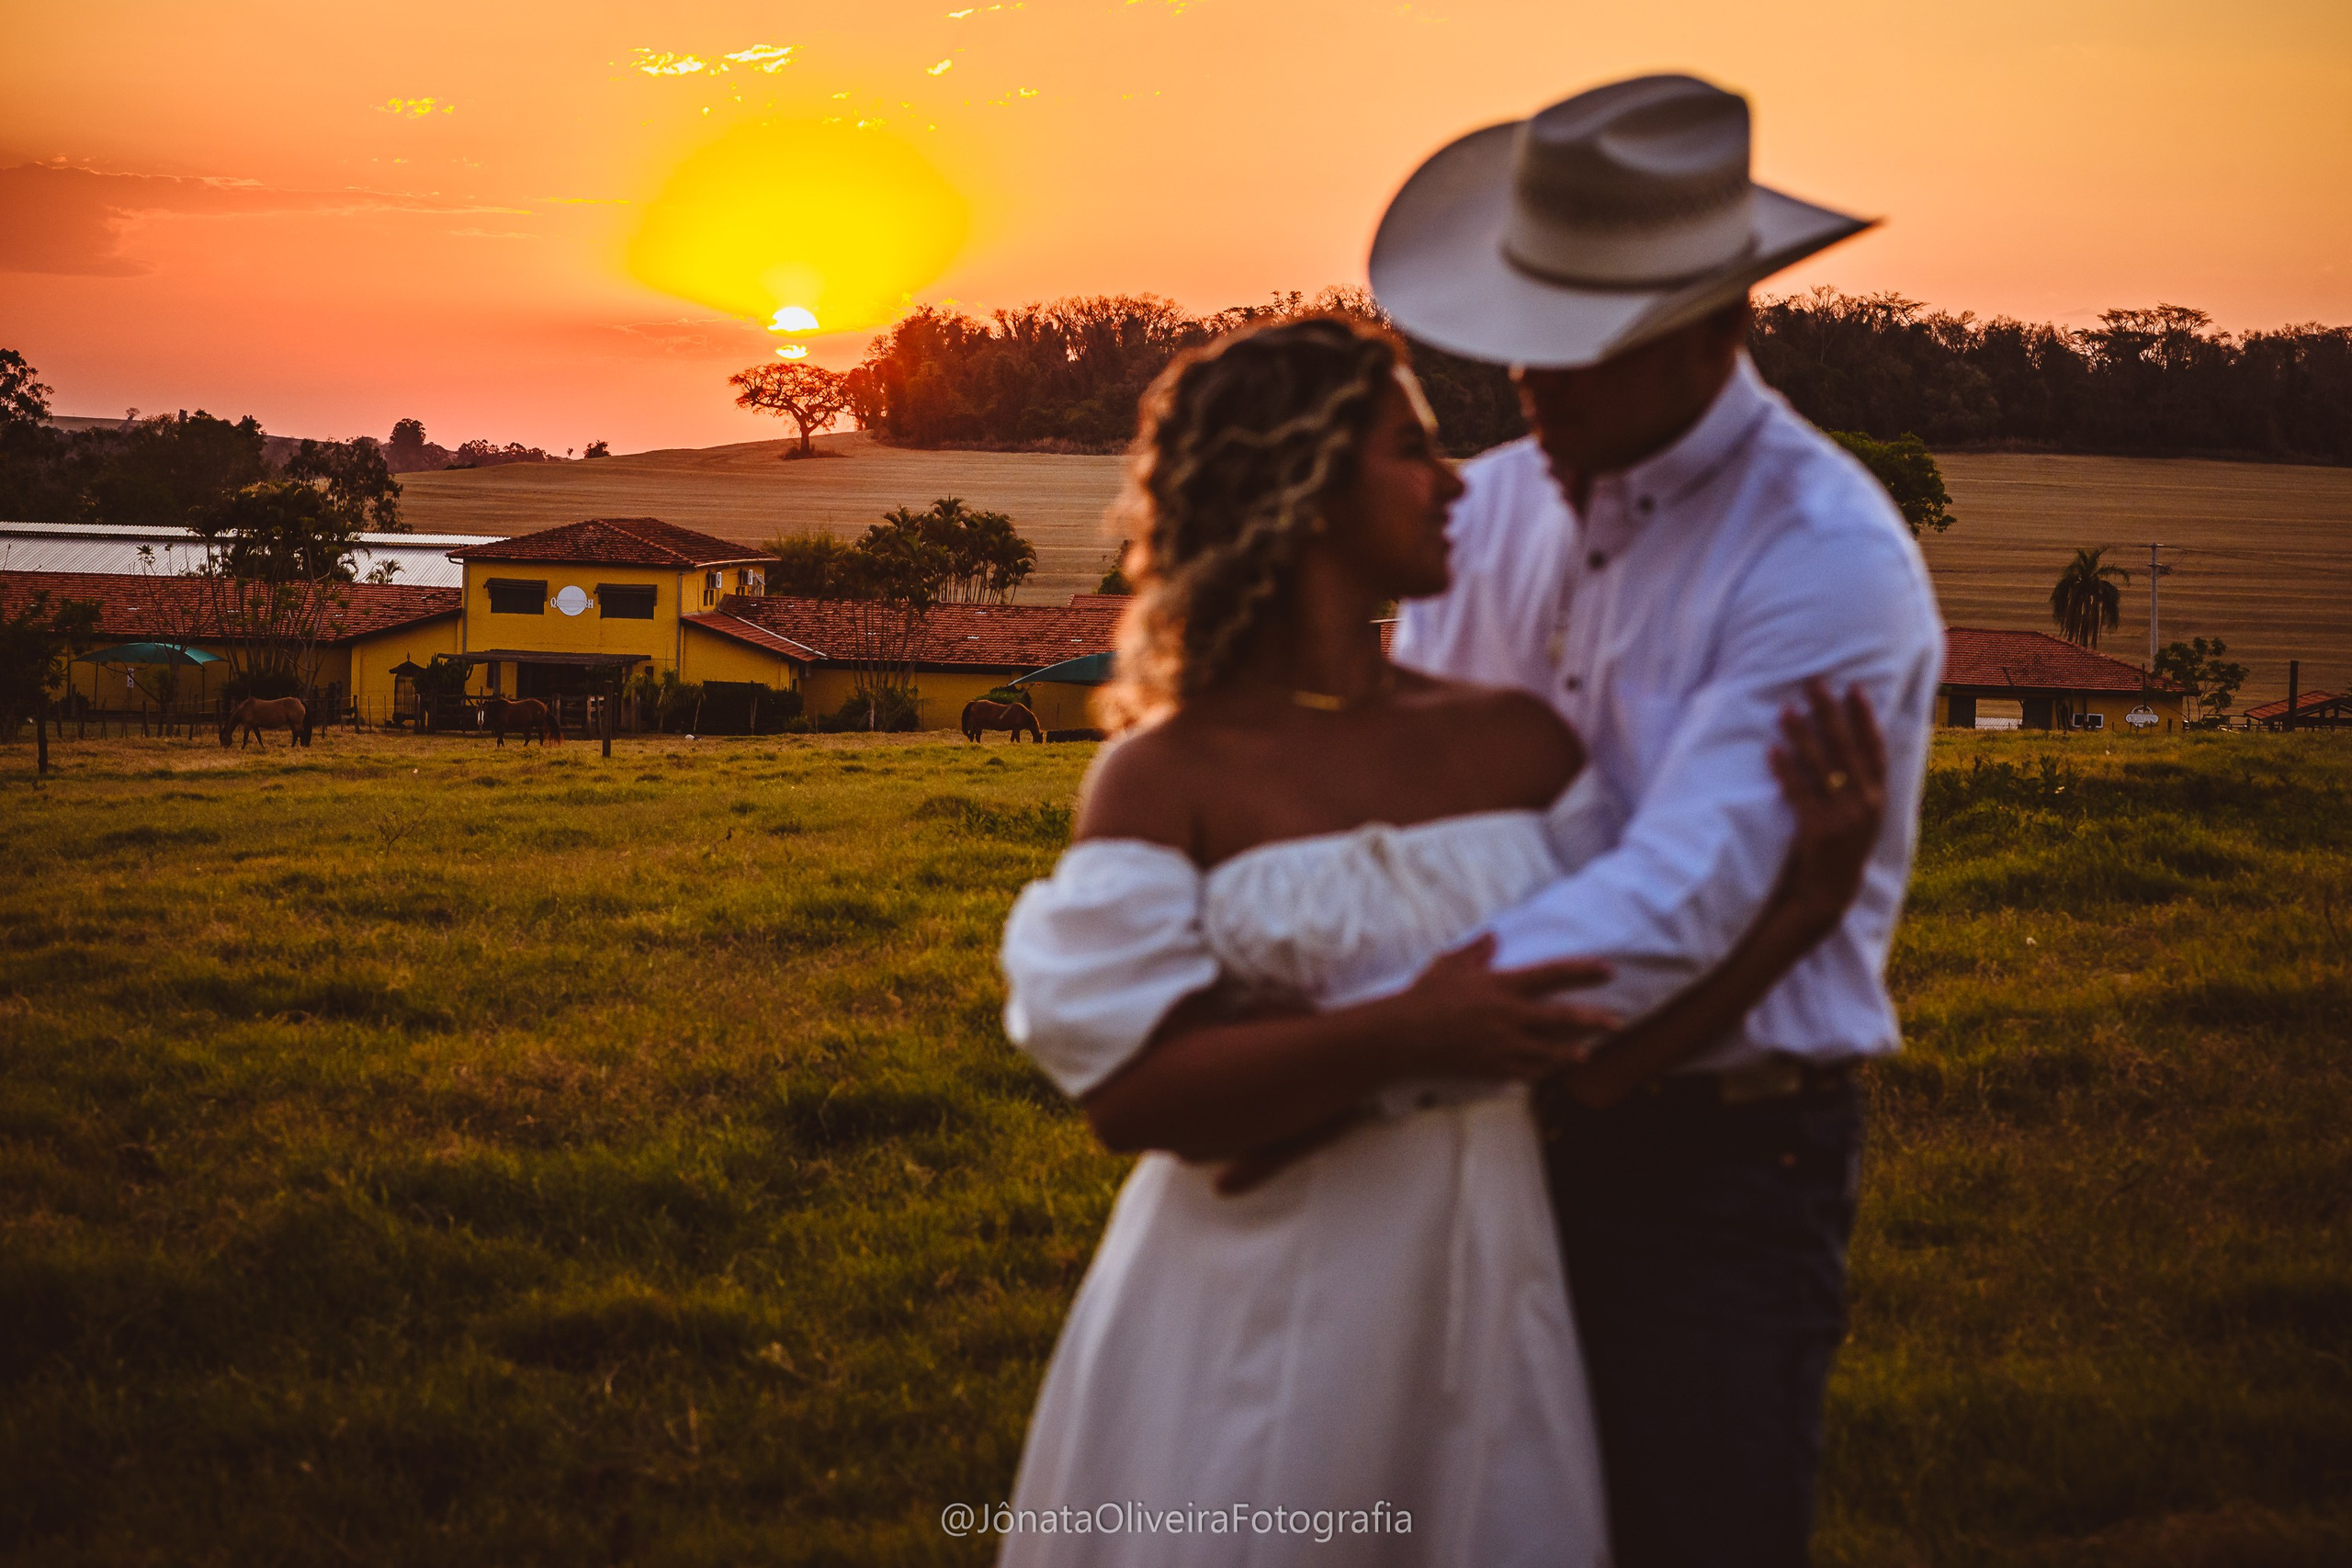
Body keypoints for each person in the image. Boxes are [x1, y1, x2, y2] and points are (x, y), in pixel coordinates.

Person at [993, 312, 1891, 1566]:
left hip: (1482, 1280)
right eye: (1410, 450)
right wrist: (1409, 1031)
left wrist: (1795, 918)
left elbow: (1594, 1063)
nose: (1457, 478)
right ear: (1305, 488)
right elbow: (1133, 1096)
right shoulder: (1164, 775)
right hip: (1247, 1285)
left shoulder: (1515, 745)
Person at [1372, 74, 1945, 1566]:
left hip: (1715, 1176)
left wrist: (1365, 1031)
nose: (1535, 391)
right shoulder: (1483, 516)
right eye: (1524, 343)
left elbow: (1680, 900)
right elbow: (1394, 808)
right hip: (1466, 1143)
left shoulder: (1826, 562)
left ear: (1721, 326)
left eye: (1584, 352)